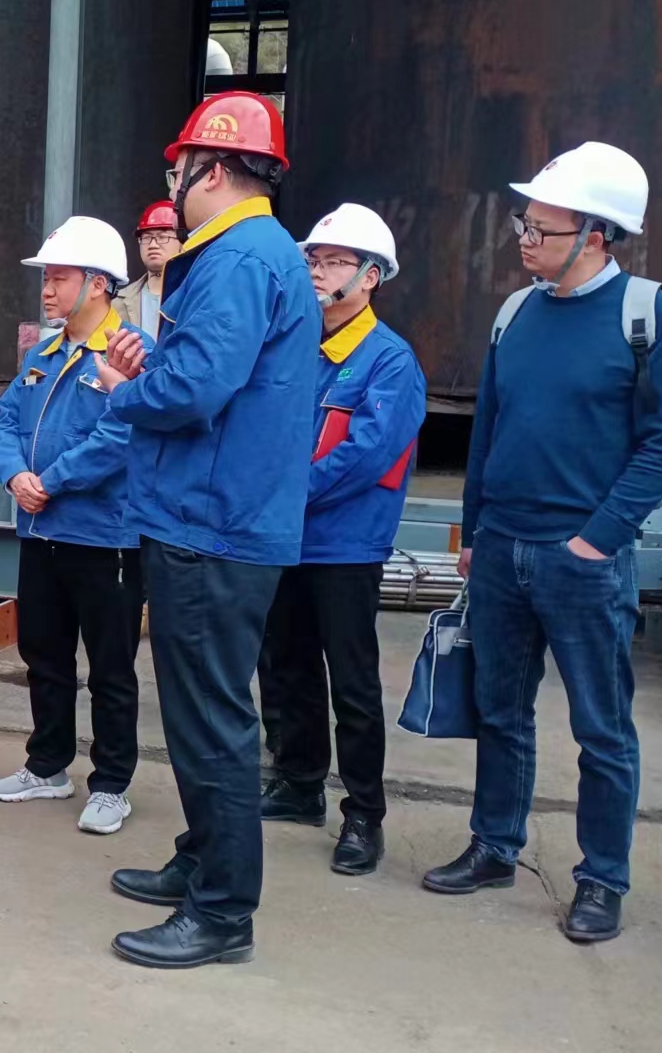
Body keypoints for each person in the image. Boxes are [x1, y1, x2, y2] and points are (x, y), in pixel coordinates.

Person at [90, 91, 319, 969]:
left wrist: (127, 390)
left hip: (210, 524)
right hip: (219, 515)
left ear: (212, 170)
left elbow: (194, 393)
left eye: (177, 172)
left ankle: (222, 912)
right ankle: (201, 859)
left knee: (211, 720)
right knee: (197, 715)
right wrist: (158, 365)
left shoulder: (237, 258)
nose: (172, 188)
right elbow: (218, 375)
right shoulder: (258, 254)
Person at [426, 141, 662, 945]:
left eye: (541, 229)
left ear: (596, 236)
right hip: (502, 550)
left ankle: (602, 879)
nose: (524, 240)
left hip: (584, 562)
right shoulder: (515, 314)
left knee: (602, 729)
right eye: (523, 224)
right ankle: (494, 846)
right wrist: (475, 531)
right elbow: (489, 430)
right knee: (500, 711)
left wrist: (599, 540)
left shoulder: (647, 316)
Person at [259, 204, 426, 876]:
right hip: (285, 539)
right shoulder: (298, 347)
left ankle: (364, 815)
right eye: (313, 259)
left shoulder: (389, 361)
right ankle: (300, 784)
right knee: (288, 667)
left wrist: (282, 491)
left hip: (346, 549)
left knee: (352, 684)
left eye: (334, 261)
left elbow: (366, 454)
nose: (317, 271)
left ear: (371, 276)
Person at [0, 216, 147, 835]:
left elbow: (122, 434)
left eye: (59, 278)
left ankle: (111, 784)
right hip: (42, 534)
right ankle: (48, 765)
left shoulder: (129, 353)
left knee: (110, 666)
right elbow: (7, 421)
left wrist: (49, 481)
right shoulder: (43, 355)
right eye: (47, 278)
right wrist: (14, 476)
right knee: (44, 654)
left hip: (105, 536)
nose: (47, 290)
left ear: (99, 284)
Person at [113, 199, 180, 340]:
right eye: (146, 237)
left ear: (182, 240)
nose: (153, 245)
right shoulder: (119, 302)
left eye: (162, 237)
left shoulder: (195, 294)